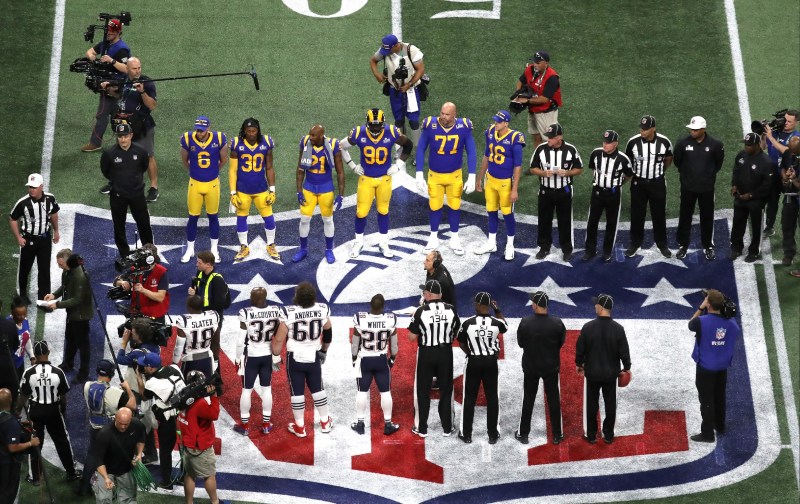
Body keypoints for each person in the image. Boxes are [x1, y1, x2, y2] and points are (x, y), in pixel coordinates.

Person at [340, 108, 413, 259]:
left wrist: (398, 165)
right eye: (372, 125)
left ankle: (383, 242)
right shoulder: (358, 132)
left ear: (382, 123)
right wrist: (352, 165)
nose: (375, 128)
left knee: (383, 211)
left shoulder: (391, 132)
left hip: (384, 179)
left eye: (377, 125)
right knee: (361, 212)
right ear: (367, 123)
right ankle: (358, 242)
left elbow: (408, 145)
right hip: (366, 179)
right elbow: (342, 146)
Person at [271, 282, 334, 437]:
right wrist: (324, 351)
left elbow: (279, 340)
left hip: (295, 357)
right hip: (313, 355)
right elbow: (328, 332)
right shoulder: (322, 309)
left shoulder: (289, 312)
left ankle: (300, 427)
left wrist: (275, 357)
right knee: (318, 387)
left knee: (297, 391)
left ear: (297, 297)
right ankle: (325, 422)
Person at [415, 102, 477, 254]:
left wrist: (472, 175)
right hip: (434, 175)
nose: (443, 116)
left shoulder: (464, 126)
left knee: (454, 206)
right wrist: (418, 173)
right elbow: (421, 148)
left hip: (454, 175)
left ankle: (454, 238)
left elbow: (471, 150)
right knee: (434, 206)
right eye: (442, 113)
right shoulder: (430, 124)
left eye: (447, 114)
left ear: (455, 114)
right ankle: (433, 237)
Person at [17, 341, 81, 484]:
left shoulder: (29, 373)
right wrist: (63, 411)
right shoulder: (58, 372)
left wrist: (17, 413)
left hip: (35, 411)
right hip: (53, 410)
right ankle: (71, 472)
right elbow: (64, 396)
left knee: (35, 443)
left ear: (35, 354)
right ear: (48, 353)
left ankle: (35, 477)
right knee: (62, 441)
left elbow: (23, 396)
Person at [101, 56, 159, 203]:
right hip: (125, 124)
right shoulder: (124, 81)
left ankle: (153, 188)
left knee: (149, 156)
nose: (137, 71)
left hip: (143, 125)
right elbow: (119, 96)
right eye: (134, 68)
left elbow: (152, 105)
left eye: (139, 67)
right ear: (127, 69)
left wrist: (142, 92)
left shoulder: (147, 82)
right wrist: (108, 89)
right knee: (120, 153)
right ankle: (114, 182)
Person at [575, 294, 631, 444]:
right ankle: (608, 435)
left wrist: (579, 364)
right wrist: (627, 368)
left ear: (601, 307)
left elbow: (580, 349)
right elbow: (624, 352)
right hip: (611, 374)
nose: (594, 306)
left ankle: (592, 435)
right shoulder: (619, 329)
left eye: (596, 304)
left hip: (592, 373)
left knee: (591, 405)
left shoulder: (588, 327)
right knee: (610, 404)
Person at [408, 280, 461, 438]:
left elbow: (411, 337)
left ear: (429, 295)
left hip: (426, 353)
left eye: (425, 292)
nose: (423, 293)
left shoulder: (421, 311)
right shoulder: (451, 310)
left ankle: (422, 428)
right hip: (445, 353)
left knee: (422, 391)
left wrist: (416, 317)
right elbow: (458, 332)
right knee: (446, 390)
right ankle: (447, 427)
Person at [78, 359, 137, 497]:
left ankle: (84, 488)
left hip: (93, 427)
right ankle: (111, 489)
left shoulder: (87, 386)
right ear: (111, 374)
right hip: (109, 432)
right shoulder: (115, 392)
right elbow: (133, 406)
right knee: (111, 460)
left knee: (93, 456)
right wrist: (128, 389)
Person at [688, 289, 740, 442]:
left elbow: (691, 324)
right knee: (719, 396)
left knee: (706, 400)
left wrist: (700, 308)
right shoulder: (731, 323)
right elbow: (732, 331)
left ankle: (708, 434)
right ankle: (720, 425)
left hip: (705, 367)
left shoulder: (701, 322)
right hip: (722, 366)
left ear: (708, 304)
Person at [514, 291, 566, 445]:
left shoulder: (525, 322)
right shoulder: (557, 323)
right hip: (550, 367)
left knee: (528, 399)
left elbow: (521, 343)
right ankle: (557, 435)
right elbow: (560, 342)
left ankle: (523, 434)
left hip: (531, 366)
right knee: (553, 399)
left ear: (536, 305)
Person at [474, 110, 526, 260]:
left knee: (507, 213)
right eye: (495, 121)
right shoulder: (490, 131)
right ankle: (491, 243)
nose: (495, 123)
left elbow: (518, 166)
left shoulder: (515, 138)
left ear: (506, 123)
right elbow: (486, 155)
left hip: (505, 183)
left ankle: (510, 245)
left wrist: (515, 189)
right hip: (490, 180)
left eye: (498, 122)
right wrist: (480, 177)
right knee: (490, 210)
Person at [456, 292, 506, 444]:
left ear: (478, 305)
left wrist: (471, 353)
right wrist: (497, 310)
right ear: (489, 306)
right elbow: (505, 326)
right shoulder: (497, 323)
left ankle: (466, 434)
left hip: (474, 361)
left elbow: (461, 343)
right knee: (492, 398)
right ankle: (492, 434)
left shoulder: (467, 323)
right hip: (491, 363)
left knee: (469, 398)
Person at [673, 116, 726, 260]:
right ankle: (683, 244)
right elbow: (677, 161)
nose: (692, 132)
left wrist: (707, 176)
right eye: (691, 129)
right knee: (685, 216)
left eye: (696, 130)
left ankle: (708, 245)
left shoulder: (715, 144)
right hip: (687, 187)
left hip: (707, 188)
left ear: (703, 129)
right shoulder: (682, 143)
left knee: (707, 217)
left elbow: (718, 163)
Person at [529, 123, 584, 261]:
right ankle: (544, 247)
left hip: (563, 191)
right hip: (545, 191)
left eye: (552, 138)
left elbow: (579, 169)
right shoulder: (541, 149)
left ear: (560, 137)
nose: (549, 140)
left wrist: (567, 173)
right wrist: (542, 173)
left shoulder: (571, 150)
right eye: (548, 137)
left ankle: (566, 249)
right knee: (544, 220)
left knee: (565, 221)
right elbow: (532, 168)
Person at [292, 125, 346, 263]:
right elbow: (300, 169)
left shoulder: (333, 145)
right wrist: (298, 191)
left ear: (321, 136)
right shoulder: (305, 142)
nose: (311, 137)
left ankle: (329, 250)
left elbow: (340, 172)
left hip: (326, 188)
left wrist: (341, 195)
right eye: (310, 134)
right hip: (309, 187)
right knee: (304, 219)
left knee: (328, 219)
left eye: (314, 136)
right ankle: (303, 249)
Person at [229, 117, 280, 262]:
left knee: (269, 217)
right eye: (248, 131)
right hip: (243, 189)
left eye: (254, 131)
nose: (251, 134)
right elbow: (232, 170)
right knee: (241, 218)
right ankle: (244, 246)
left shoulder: (266, 143)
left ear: (258, 131)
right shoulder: (237, 144)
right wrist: (233, 192)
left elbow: (269, 168)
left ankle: (271, 244)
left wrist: (272, 190)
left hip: (261, 189)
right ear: (244, 131)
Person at [180, 116, 230, 264]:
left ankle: (214, 248)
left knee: (213, 217)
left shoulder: (219, 138)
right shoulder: (188, 139)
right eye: (197, 130)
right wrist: (196, 172)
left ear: (208, 129)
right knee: (192, 217)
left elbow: (223, 160)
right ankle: (190, 249)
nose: (199, 133)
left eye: (202, 130)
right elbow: (185, 160)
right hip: (195, 184)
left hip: (212, 184)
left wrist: (212, 172)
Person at [100, 122, 155, 257]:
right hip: (118, 196)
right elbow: (106, 171)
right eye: (120, 137)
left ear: (131, 135)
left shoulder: (141, 151)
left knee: (144, 223)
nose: (123, 139)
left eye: (125, 136)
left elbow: (143, 167)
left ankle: (149, 252)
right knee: (119, 226)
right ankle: (124, 253)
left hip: (137, 195)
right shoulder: (109, 153)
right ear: (117, 137)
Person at [350, 294, 400, 436]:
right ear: (383, 306)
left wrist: (354, 359)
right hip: (381, 360)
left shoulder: (361, 319)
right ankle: (388, 424)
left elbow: (355, 344)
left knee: (361, 391)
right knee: (385, 392)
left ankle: (360, 423)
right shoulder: (390, 320)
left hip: (364, 359)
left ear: (370, 305)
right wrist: (392, 359)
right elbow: (394, 346)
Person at [625, 115, 673, 258]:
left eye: (645, 129)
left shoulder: (664, 142)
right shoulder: (633, 142)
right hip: (638, 183)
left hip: (657, 183)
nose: (642, 131)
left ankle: (662, 243)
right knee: (637, 214)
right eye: (641, 128)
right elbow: (628, 161)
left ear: (653, 128)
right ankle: (635, 243)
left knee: (659, 214)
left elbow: (668, 159)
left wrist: (658, 173)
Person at [235, 287, 281, 436]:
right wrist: (276, 354)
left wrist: (237, 358)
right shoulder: (276, 311)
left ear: (253, 298)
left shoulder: (246, 313)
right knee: (266, 389)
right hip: (267, 355)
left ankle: (245, 425)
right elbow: (280, 335)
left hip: (252, 356)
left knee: (246, 390)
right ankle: (266, 424)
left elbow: (240, 341)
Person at [8, 173, 60, 305]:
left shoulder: (50, 198)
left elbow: (54, 213)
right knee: (25, 268)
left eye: (34, 187)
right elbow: (12, 219)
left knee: (44, 269)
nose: (31, 189)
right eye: (30, 187)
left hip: (44, 239)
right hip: (28, 239)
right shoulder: (23, 202)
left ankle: (44, 298)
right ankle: (23, 294)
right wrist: (18, 237)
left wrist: (56, 230)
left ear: (41, 186)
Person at [44, 250, 95, 383]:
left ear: (68, 262)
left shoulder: (80, 276)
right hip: (72, 314)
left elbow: (78, 299)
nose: (59, 266)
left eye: (61, 264)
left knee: (83, 345)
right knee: (70, 338)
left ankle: (83, 372)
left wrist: (58, 304)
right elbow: (65, 286)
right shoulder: (67, 270)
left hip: (80, 316)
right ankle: (68, 363)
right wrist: (54, 295)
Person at [583, 130, 633, 262]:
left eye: (609, 142)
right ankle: (590, 250)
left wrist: (618, 184)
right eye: (604, 141)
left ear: (615, 143)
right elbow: (593, 168)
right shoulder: (596, 153)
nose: (605, 144)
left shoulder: (623, 159)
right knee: (592, 222)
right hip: (597, 192)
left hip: (613, 194)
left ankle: (607, 251)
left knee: (611, 224)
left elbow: (629, 175)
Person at [137, 350, 185, 488]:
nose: (143, 368)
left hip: (168, 421)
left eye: (145, 366)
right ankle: (184, 476)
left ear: (151, 367)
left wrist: (139, 378)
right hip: (183, 416)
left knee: (165, 451)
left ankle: (167, 482)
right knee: (185, 448)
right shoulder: (174, 368)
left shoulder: (152, 382)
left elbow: (144, 395)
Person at [81, 18, 131, 153]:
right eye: (107, 31)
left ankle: (95, 143)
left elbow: (127, 69)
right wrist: (92, 57)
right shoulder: (105, 43)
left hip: (116, 87)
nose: (108, 33)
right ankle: (123, 143)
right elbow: (90, 51)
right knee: (117, 115)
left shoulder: (122, 49)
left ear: (118, 32)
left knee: (105, 115)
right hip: (106, 85)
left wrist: (112, 60)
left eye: (111, 31)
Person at [370, 34, 425, 151]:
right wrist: (377, 75)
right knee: (399, 121)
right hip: (395, 91)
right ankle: (401, 147)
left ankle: (418, 151)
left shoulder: (411, 50)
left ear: (396, 46)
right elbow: (373, 60)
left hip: (411, 91)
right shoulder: (385, 50)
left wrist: (409, 85)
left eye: (388, 49)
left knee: (414, 121)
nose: (386, 52)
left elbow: (420, 69)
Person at [178, 371, 221, 504]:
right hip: (200, 447)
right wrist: (214, 396)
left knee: (190, 475)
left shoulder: (183, 397)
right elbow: (214, 414)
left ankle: (189, 502)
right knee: (209, 475)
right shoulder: (199, 403)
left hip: (186, 442)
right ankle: (215, 502)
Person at [730, 133, 774, 262]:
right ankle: (736, 247)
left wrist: (751, 195)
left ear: (757, 145)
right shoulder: (741, 155)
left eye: (749, 145)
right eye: (745, 144)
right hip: (740, 197)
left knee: (756, 227)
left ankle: (754, 251)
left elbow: (767, 185)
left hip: (756, 201)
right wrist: (734, 185)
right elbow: (736, 172)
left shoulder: (766, 162)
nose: (746, 147)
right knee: (737, 223)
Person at [91, 407, 145, 503]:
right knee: (103, 499)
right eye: (120, 423)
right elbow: (98, 460)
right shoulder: (104, 434)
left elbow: (141, 439)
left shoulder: (137, 425)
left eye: (126, 424)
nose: (123, 427)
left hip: (125, 468)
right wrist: (106, 478)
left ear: (131, 419)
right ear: (115, 417)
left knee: (129, 499)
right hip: (106, 470)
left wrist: (139, 454)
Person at [512, 50, 562, 147]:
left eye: (538, 63)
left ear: (546, 63)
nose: (535, 64)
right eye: (534, 62)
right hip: (533, 110)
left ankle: (552, 160)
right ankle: (537, 160)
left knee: (550, 140)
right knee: (536, 137)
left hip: (547, 113)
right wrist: (519, 94)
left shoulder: (552, 78)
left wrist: (527, 100)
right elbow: (520, 81)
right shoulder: (530, 69)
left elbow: (544, 99)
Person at [187, 251, 230, 362]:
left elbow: (220, 304)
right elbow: (198, 292)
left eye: (199, 263)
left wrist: (203, 310)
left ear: (209, 264)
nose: (197, 264)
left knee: (213, 345)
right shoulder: (199, 273)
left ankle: (216, 371)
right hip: (201, 314)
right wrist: (193, 294)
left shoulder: (218, 280)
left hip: (213, 317)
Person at [763, 109, 800, 236]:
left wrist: (771, 138)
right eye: (785, 120)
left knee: (791, 204)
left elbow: (787, 151)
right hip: (773, 174)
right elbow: (763, 147)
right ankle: (769, 227)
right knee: (772, 202)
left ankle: (790, 231)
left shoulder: (796, 138)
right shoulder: (775, 132)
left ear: (796, 122)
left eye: (790, 121)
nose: (786, 123)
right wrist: (763, 135)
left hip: (789, 176)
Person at [112, 243, 170, 321]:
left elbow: (160, 297)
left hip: (155, 315)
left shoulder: (161, 272)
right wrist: (122, 283)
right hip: (136, 312)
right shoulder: (136, 269)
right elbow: (115, 281)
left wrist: (143, 290)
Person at [0, 387, 39, 503]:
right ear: (10, 401)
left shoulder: (11, 421)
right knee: (8, 492)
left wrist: (21, 423)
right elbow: (13, 447)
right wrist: (31, 443)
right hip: (7, 463)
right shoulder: (11, 423)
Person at [170, 295, 220, 378]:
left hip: (190, 360)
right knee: (208, 388)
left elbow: (179, 346)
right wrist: (215, 360)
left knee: (187, 389)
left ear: (189, 307)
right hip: (207, 359)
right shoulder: (213, 316)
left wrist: (174, 364)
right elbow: (216, 342)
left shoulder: (184, 321)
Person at [779, 136, 800, 266]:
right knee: (787, 225)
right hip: (790, 196)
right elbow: (783, 167)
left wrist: (793, 179)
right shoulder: (788, 153)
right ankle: (788, 254)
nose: (791, 153)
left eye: (794, 152)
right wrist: (785, 177)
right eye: (790, 150)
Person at [7, 295, 34, 381]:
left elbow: (26, 338)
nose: (22, 317)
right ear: (12, 313)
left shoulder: (25, 321)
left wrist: (32, 356)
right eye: (19, 315)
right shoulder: (8, 326)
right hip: (9, 364)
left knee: (20, 380)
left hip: (20, 361)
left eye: (24, 314)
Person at [0, 301, 21, 406]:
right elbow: (16, 345)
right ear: (1, 307)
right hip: (8, 369)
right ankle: (12, 418)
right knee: (11, 397)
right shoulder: (10, 325)